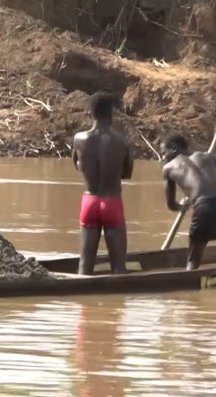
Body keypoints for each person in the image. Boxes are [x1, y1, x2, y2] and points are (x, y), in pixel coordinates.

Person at [72, 91, 133, 275]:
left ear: (91, 113)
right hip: (112, 201)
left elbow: (78, 166)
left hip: (89, 201)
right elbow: (128, 173)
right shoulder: (121, 141)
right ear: (111, 113)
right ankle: (117, 301)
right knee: (119, 267)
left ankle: (83, 302)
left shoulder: (79, 139)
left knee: (84, 265)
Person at [160, 133, 216, 270]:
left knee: (193, 262)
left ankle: (189, 283)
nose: (162, 158)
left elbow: (171, 204)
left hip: (202, 209)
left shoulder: (168, 168)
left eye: (163, 153)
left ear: (173, 148)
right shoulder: (205, 156)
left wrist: (181, 206)